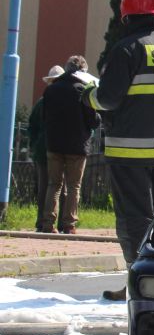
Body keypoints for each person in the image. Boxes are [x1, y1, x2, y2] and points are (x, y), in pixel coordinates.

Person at [81, 0, 154, 301]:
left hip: (127, 151)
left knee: (132, 219)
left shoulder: (127, 48)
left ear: (126, 15)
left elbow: (108, 99)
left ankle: (137, 285)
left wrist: (88, 96)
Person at [42, 56, 100, 234]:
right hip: (77, 145)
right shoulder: (83, 90)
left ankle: (48, 224)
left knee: (54, 184)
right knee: (74, 185)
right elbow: (93, 121)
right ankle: (69, 224)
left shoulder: (51, 90)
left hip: (54, 144)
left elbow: (44, 117)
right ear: (82, 71)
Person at [28, 65, 64, 232]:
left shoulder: (43, 101)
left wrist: (34, 145)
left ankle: (43, 222)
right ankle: (50, 222)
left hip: (44, 150)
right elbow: (33, 126)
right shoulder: (49, 101)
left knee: (47, 188)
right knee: (55, 188)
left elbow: (32, 127)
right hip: (52, 149)